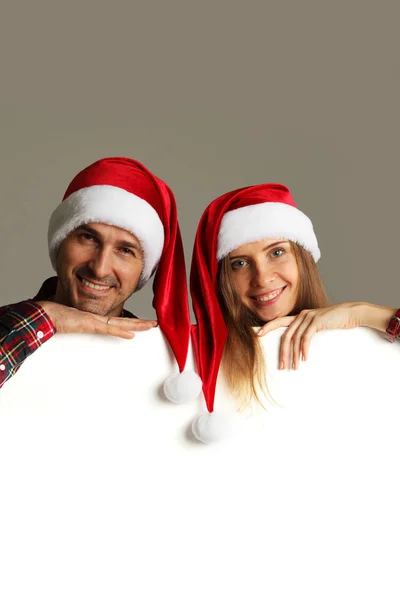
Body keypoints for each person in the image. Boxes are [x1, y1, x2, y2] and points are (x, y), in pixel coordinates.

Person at [189, 183, 399, 442]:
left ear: (303, 258)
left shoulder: (363, 345)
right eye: (239, 263)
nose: (262, 278)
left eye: (276, 252)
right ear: (221, 278)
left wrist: (360, 313)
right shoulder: (191, 355)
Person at [0, 156, 195, 401]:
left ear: (144, 269)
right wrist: (46, 318)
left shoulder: (163, 360)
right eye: (88, 238)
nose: (100, 268)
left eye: (125, 250)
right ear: (60, 242)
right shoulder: (6, 325)